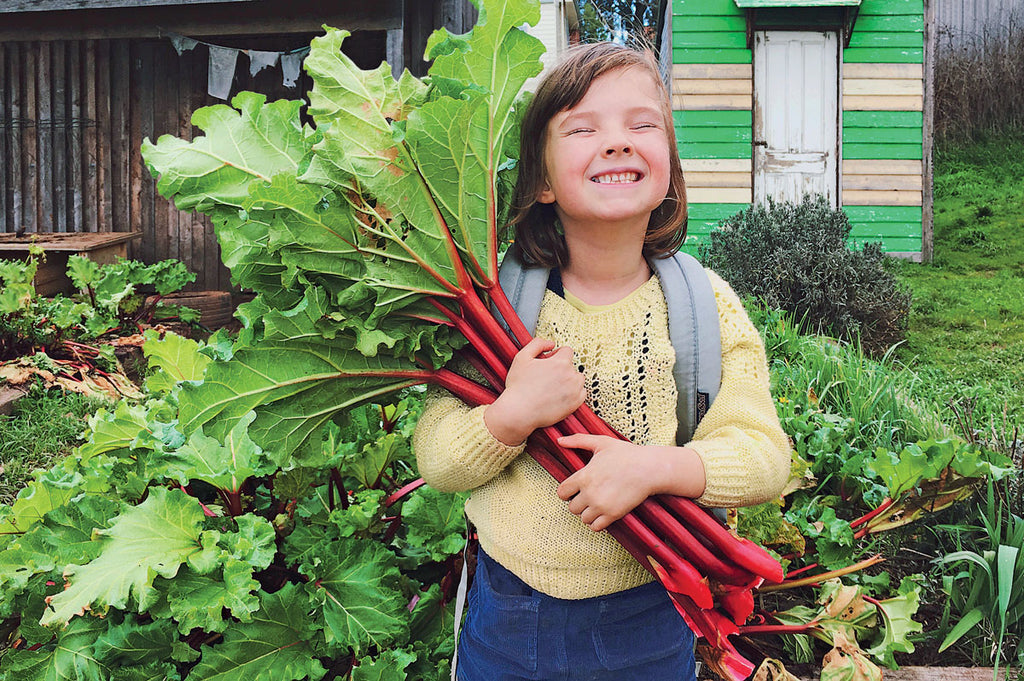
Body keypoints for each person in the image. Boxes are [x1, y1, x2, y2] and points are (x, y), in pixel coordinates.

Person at [413, 42, 791, 681]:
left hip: (649, 618)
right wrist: (511, 415)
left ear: (669, 163)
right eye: (583, 129)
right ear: (538, 179)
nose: (617, 143)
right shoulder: (498, 307)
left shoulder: (706, 307)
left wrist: (656, 468)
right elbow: (438, 458)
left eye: (642, 125)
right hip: (508, 612)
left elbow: (763, 456)